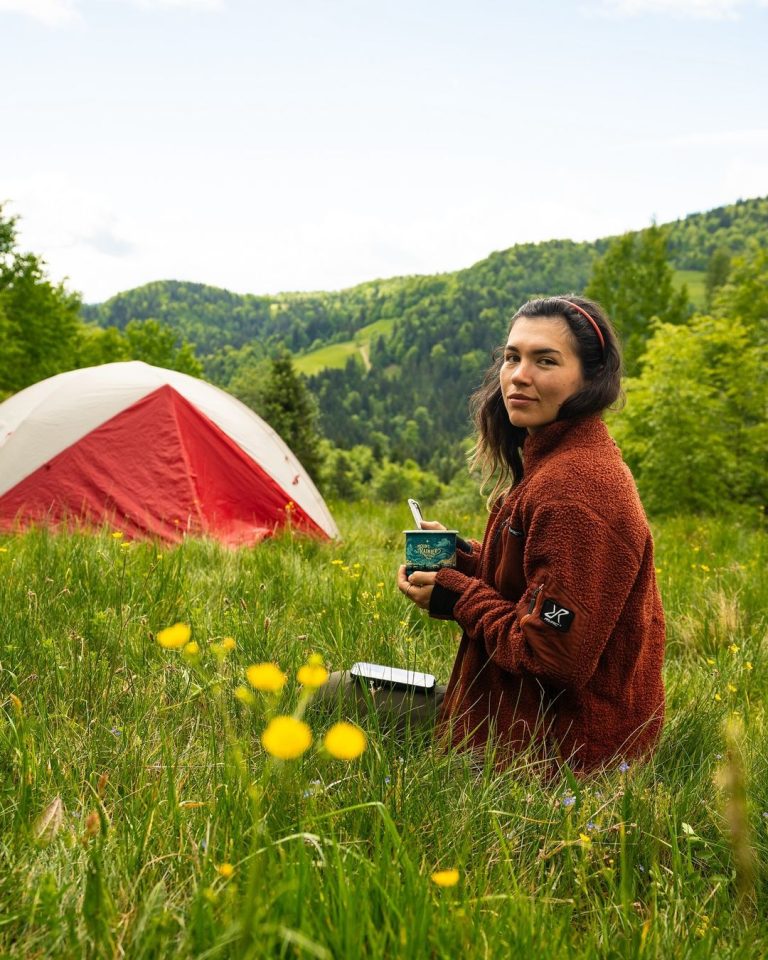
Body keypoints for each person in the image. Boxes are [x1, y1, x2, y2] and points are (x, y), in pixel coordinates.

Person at [397, 295, 665, 775]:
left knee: (329, 698)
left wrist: (457, 595)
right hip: (519, 719)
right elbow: (540, 589)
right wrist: (466, 564)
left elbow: (551, 654)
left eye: (545, 360)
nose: (518, 375)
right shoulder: (558, 462)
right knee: (350, 691)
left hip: (554, 753)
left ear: (590, 378)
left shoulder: (576, 492)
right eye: (512, 357)